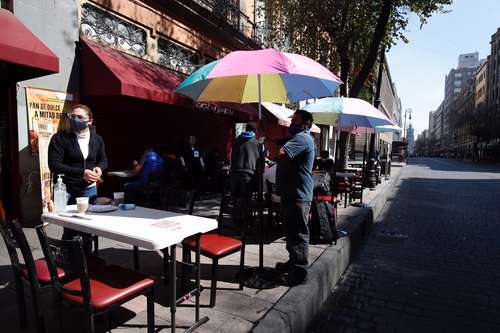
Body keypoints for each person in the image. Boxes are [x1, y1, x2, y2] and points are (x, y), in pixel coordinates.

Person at [48, 104, 108, 251]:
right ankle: (68, 257)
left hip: (88, 189)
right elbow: (54, 165)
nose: (75, 119)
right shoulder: (60, 138)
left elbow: (103, 160)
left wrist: (100, 168)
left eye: (80, 117)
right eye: (72, 116)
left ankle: (87, 257)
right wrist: (82, 172)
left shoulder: (97, 139)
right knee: (70, 226)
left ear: (90, 121)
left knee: (87, 226)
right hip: (66, 188)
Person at [267, 110, 315, 286]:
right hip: (290, 193)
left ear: (304, 124)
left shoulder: (302, 138)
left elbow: (279, 152)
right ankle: (293, 261)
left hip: (298, 195)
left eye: (295, 120)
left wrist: (262, 139)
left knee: (298, 234)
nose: (291, 123)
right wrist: (264, 133)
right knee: (291, 232)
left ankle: (300, 272)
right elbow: (278, 142)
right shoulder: (295, 139)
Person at [229, 123, 262, 228]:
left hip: (235, 173)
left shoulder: (236, 141)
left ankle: (236, 222)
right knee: (246, 200)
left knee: (236, 199)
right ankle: (245, 224)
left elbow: (232, 158)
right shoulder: (257, 144)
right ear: (255, 131)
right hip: (248, 175)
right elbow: (260, 163)